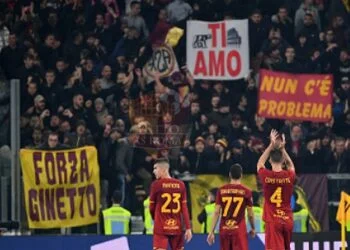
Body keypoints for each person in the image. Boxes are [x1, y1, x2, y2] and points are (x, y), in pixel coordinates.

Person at [257, 129, 296, 250]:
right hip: (287, 220)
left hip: (273, 220)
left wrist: (271, 145)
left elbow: (260, 163)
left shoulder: (267, 176)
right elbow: (291, 165)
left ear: (270, 160)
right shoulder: (289, 176)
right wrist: (283, 149)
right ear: (283, 161)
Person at [207, 164, 256, 250]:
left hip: (224, 229)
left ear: (230, 175)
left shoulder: (221, 190)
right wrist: (253, 228)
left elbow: (216, 212)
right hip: (239, 230)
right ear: (241, 175)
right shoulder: (246, 191)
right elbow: (250, 214)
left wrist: (211, 231)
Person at [149, 158, 192, 250]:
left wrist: (155, 218)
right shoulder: (181, 184)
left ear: (164, 169)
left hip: (161, 227)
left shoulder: (156, 185)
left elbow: (151, 207)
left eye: (155, 168)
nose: (153, 171)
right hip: (177, 227)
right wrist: (188, 228)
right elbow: (184, 208)